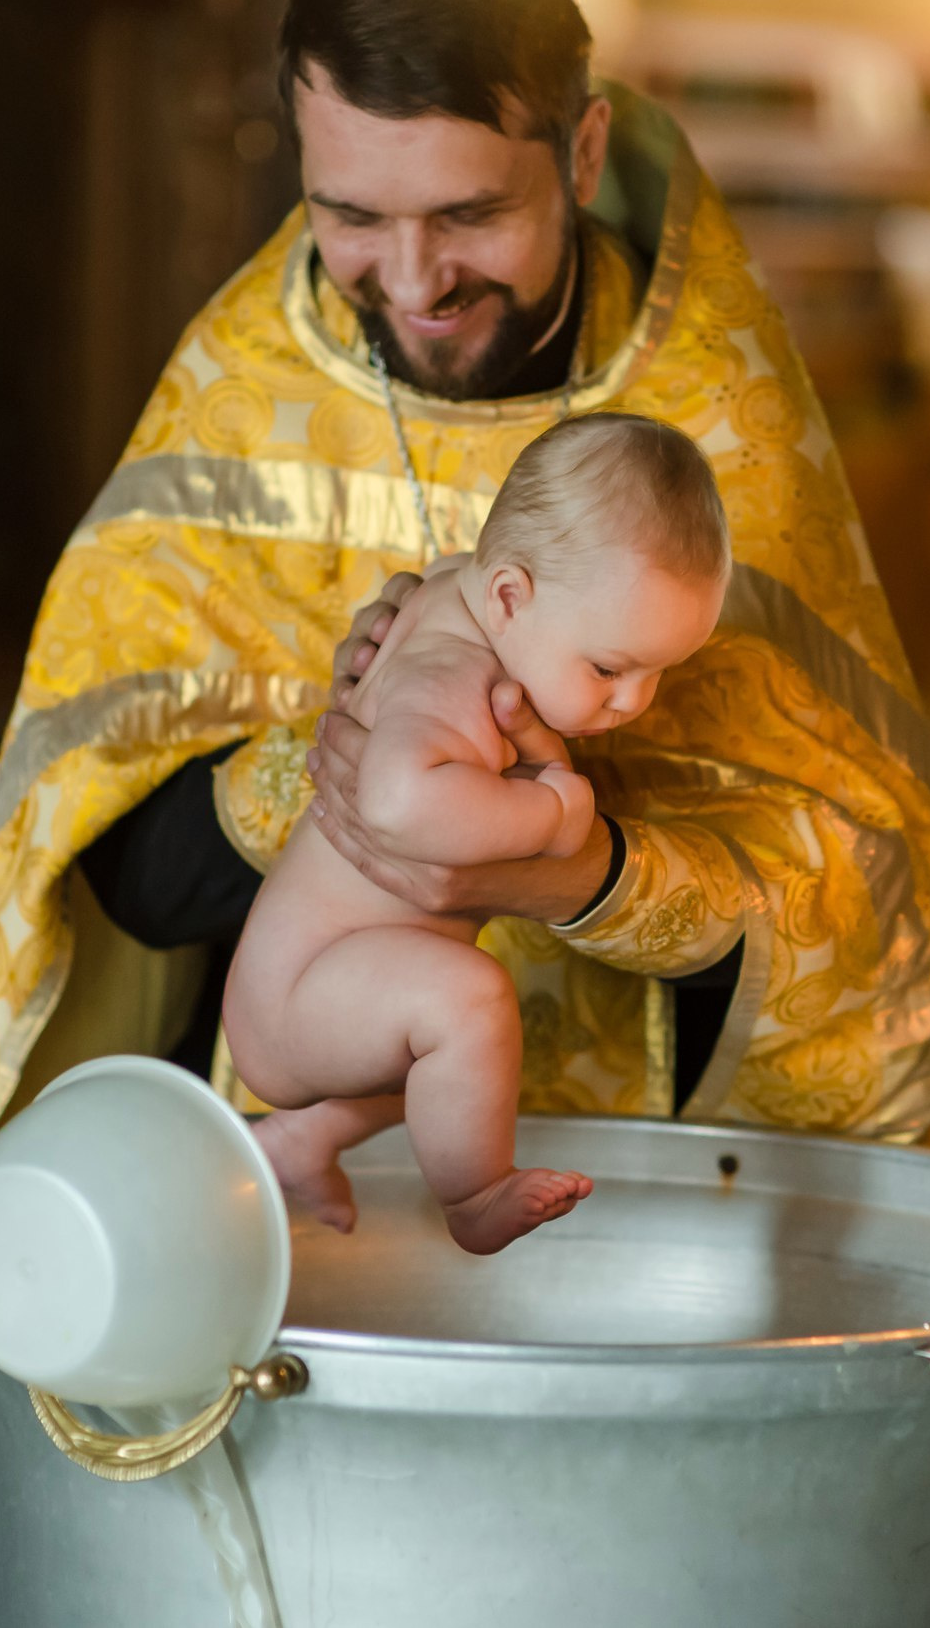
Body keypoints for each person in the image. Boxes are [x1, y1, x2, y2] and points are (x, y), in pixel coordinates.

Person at [0, 0, 930, 1621]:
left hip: (615, 1254)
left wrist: (588, 874)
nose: (410, 281)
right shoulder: (239, 384)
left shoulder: (716, 423)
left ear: (577, 148)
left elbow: (861, 898)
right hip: (287, 1247)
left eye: (467, 216)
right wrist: (327, 783)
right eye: (352, 215)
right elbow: (101, 866)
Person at [230, 413, 728, 1252]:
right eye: (610, 668)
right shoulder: (454, 671)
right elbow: (395, 800)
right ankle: (474, 1197)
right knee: (473, 1002)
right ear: (508, 597)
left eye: (659, 672)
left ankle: (302, 1141)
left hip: (317, 980)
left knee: (462, 1064)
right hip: (300, 994)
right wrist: (556, 813)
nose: (634, 701)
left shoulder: (470, 593)